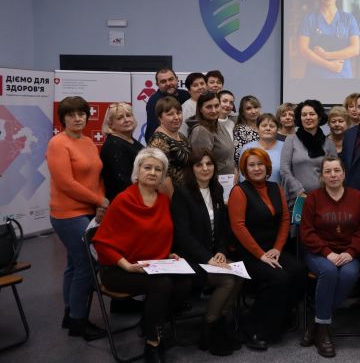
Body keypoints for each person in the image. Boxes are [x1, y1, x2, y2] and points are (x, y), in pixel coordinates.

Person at [93, 148, 192, 362]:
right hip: (118, 268)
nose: (153, 172)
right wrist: (126, 265)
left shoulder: (163, 201)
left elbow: (160, 235)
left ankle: (150, 322)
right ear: (137, 171)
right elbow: (101, 242)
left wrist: (169, 253)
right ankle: (152, 343)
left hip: (151, 264)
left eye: (158, 169)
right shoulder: (123, 200)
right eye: (147, 167)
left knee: (185, 282)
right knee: (162, 284)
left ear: (163, 175)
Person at [228, 148, 305, 349]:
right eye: (251, 165)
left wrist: (278, 249)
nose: (256, 168)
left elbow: (285, 219)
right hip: (249, 253)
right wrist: (261, 255)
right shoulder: (239, 191)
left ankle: (279, 317)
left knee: (298, 271)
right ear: (245, 169)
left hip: (272, 250)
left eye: (260, 164)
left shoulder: (275, 187)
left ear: (267, 166)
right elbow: (238, 227)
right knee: (279, 278)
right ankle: (254, 327)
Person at [171, 149, 244, 356]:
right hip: (190, 259)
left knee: (239, 276)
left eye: (209, 164)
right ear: (191, 169)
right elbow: (183, 236)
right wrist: (208, 258)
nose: (205, 168)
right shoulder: (182, 194)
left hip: (212, 256)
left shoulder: (217, 189)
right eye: (199, 165)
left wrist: (221, 251)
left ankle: (221, 321)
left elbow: (222, 227)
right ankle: (210, 327)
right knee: (227, 280)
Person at [47, 96, 107, 341]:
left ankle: (70, 314)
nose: (77, 118)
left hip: (88, 211)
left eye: (81, 114)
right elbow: (66, 183)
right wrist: (99, 200)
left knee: (74, 263)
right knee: (87, 264)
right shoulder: (57, 143)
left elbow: (97, 175)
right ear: (63, 119)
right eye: (71, 115)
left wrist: (99, 202)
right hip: (67, 214)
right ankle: (78, 322)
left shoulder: (88, 142)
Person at [299, 156, 360, 357]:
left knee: (349, 275)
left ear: (344, 174)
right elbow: (307, 232)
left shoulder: (356, 197)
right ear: (322, 176)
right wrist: (327, 253)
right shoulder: (313, 198)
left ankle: (317, 323)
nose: (333, 175)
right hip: (318, 253)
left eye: (337, 170)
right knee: (329, 272)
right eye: (328, 171)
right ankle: (323, 330)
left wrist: (351, 252)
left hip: (348, 252)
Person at [298, 0, 360, 78]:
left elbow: (355, 49)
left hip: (342, 76)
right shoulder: (309, 19)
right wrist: (329, 65)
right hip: (315, 77)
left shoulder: (349, 19)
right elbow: (303, 50)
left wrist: (326, 55)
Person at [280, 99, 337, 205]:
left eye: (312, 114)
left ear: (319, 117)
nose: (308, 117)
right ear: (300, 118)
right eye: (304, 115)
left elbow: (334, 171)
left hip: (323, 198)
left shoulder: (329, 143)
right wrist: (299, 192)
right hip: (297, 199)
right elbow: (284, 170)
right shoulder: (291, 140)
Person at [147, 96, 190, 197]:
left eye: (178, 113)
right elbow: (162, 177)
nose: (176, 117)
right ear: (160, 118)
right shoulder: (158, 141)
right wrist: (174, 203)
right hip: (173, 197)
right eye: (170, 114)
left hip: (186, 194)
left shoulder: (181, 136)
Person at [100, 102, 143, 202]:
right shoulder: (114, 145)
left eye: (129, 115)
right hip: (125, 202)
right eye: (120, 118)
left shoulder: (129, 139)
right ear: (111, 124)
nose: (127, 120)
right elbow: (123, 182)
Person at [188, 92, 235, 178]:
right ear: (200, 109)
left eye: (216, 106)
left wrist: (234, 170)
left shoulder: (217, 124)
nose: (214, 110)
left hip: (227, 179)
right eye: (209, 107)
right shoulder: (201, 131)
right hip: (213, 181)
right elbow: (202, 166)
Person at [144, 68, 189, 143]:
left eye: (171, 79)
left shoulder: (185, 95)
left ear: (177, 79)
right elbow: (153, 131)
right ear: (157, 84)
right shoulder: (154, 102)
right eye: (163, 81)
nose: (168, 83)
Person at [240, 113, 284, 183]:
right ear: (257, 129)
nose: (268, 128)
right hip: (251, 189)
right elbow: (243, 175)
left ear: (277, 130)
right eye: (264, 126)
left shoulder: (285, 147)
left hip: (279, 189)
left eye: (272, 126)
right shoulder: (247, 148)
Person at [233, 95, 261, 163]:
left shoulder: (264, 127)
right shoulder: (240, 130)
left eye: (256, 107)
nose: (253, 111)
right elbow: (238, 156)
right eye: (249, 108)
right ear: (242, 112)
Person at [179, 72, 207, 137]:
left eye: (202, 84)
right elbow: (182, 133)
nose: (200, 87)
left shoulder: (213, 102)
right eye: (195, 85)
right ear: (189, 91)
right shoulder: (185, 108)